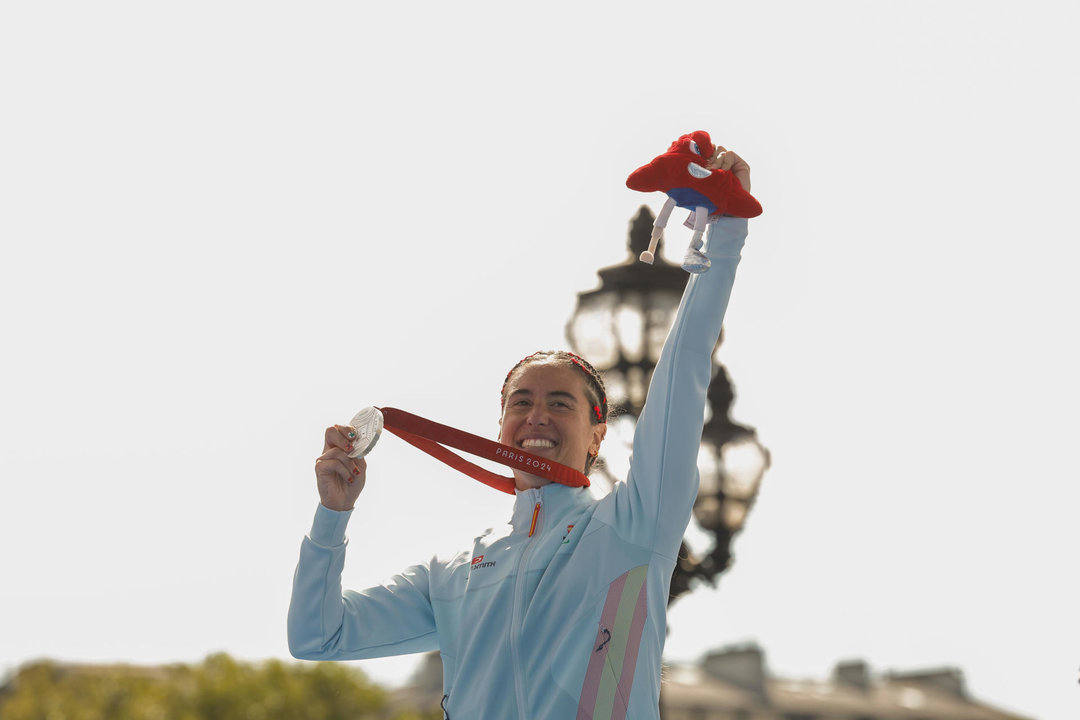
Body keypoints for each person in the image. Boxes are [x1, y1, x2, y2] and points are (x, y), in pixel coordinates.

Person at [289, 149, 755, 719]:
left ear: (596, 436)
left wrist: (725, 234)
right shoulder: (454, 572)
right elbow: (316, 637)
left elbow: (682, 377)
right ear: (502, 428)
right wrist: (331, 516)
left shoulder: (632, 526)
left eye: (560, 403)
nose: (537, 416)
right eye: (521, 403)